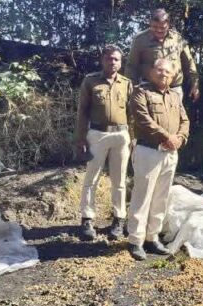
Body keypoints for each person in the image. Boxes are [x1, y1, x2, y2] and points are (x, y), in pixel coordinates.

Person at [126, 59, 190, 260]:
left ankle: (152, 237)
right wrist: (167, 137)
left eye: (167, 72)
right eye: (160, 70)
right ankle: (135, 240)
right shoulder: (141, 92)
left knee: (161, 198)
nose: (163, 74)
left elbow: (185, 120)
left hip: (170, 154)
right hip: (148, 151)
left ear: (173, 76)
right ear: (152, 71)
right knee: (142, 196)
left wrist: (180, 138)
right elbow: (142, 118)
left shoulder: (174, 96)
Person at [74, 45, 134, 241]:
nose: (112, 62)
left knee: (119, 180)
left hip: (121, 136)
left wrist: (133, 137)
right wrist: (80, 138)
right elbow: (82, 111)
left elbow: (132, 113)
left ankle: (119, 219)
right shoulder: (91, 81)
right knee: (91, 178)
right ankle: (87, 219)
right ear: (102, 60)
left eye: (116, 59)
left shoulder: (126, 83)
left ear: (121, 62)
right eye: (109, 58)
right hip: (97, 134)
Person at [126, 9, 199, 102]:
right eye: (155, 27)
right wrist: (131, 89)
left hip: (174, 90)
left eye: (162, 27)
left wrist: (195, 84)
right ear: (150, 23)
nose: (158, 30)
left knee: (174, 112)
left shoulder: (177, 39)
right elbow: (131, 66)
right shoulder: (140, 40)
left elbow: (189, 62)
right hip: (149, 90)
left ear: (168, 25)